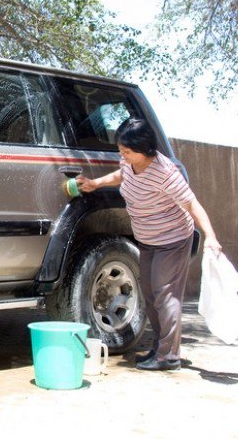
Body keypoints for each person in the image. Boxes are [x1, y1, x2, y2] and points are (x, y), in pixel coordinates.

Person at [77, 118, 222, 371]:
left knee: (165, 294)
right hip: (147, 239)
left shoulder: (165, 173)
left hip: (174, 240)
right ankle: (161, 347)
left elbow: (192, 204)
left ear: (145, 149)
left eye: (127, 151)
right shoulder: (129, 162)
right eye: (121, 150)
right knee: (150, 293)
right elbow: (122, 174)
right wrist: (96, 183)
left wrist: (210, 235)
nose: (122, 155)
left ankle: (169, 357)